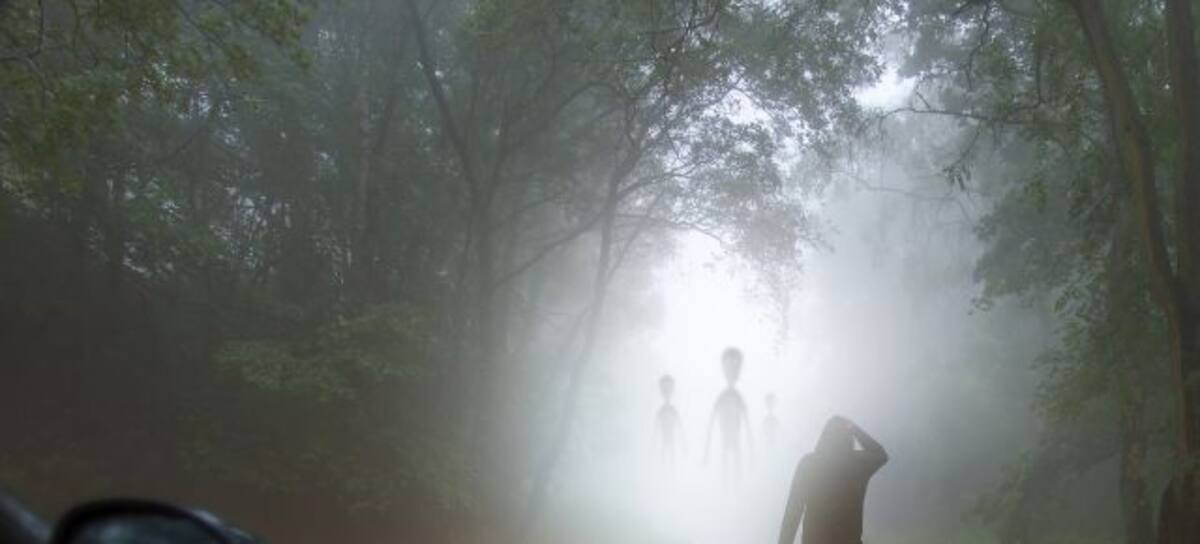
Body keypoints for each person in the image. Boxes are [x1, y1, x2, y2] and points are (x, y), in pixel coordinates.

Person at [777, 415, 888, 544]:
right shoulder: (857, 464)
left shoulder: (809, 464)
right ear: (849, 438)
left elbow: (792, 513)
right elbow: (881, 454)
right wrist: (854, 428)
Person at [705, 347, 753, 489]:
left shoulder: (737, 397)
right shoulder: (723, 397)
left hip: (734, 439)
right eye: (728, 367)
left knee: (735, 465)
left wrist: (751, 449)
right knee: (726, 466)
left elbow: (747, 423)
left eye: (734, 367)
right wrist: (706, 451)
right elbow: (711, 423)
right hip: (726, 439)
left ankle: (737, 490)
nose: (731, 372)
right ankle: (726, 491)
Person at [655, 374, 684, 466]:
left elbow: (680, 427)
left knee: (671, 457)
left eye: (668, 389)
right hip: (665, 440)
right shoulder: (662, 411)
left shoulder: (672, 411)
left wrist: (683, 443)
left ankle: (670, 470)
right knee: (665, 457)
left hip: (670, 441)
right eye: (665, 390)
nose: (667, 393)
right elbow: (655, 430)